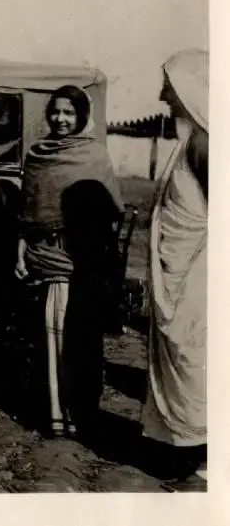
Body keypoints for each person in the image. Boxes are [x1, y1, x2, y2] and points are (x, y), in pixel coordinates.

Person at [15, 85, 123, 438]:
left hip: (78, 262)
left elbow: (108, 215)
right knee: (47, 338)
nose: (61, 119)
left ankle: (77, 416)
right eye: (55, 112)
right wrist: (22, 250)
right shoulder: (38, 154)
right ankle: (54, 416)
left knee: (75, 339)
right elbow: (27, 213)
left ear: (81, 117)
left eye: (69, 113)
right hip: (42, 257)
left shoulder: (93, 156)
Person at [140, 49, 208, 481]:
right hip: (177, 273)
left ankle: (204, 461)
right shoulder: (190, 142)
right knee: (187, 360)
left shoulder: (207, 146)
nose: (163, 93)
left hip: (199, 275)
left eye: (169, 84)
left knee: (197, 358)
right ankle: (188, 453)